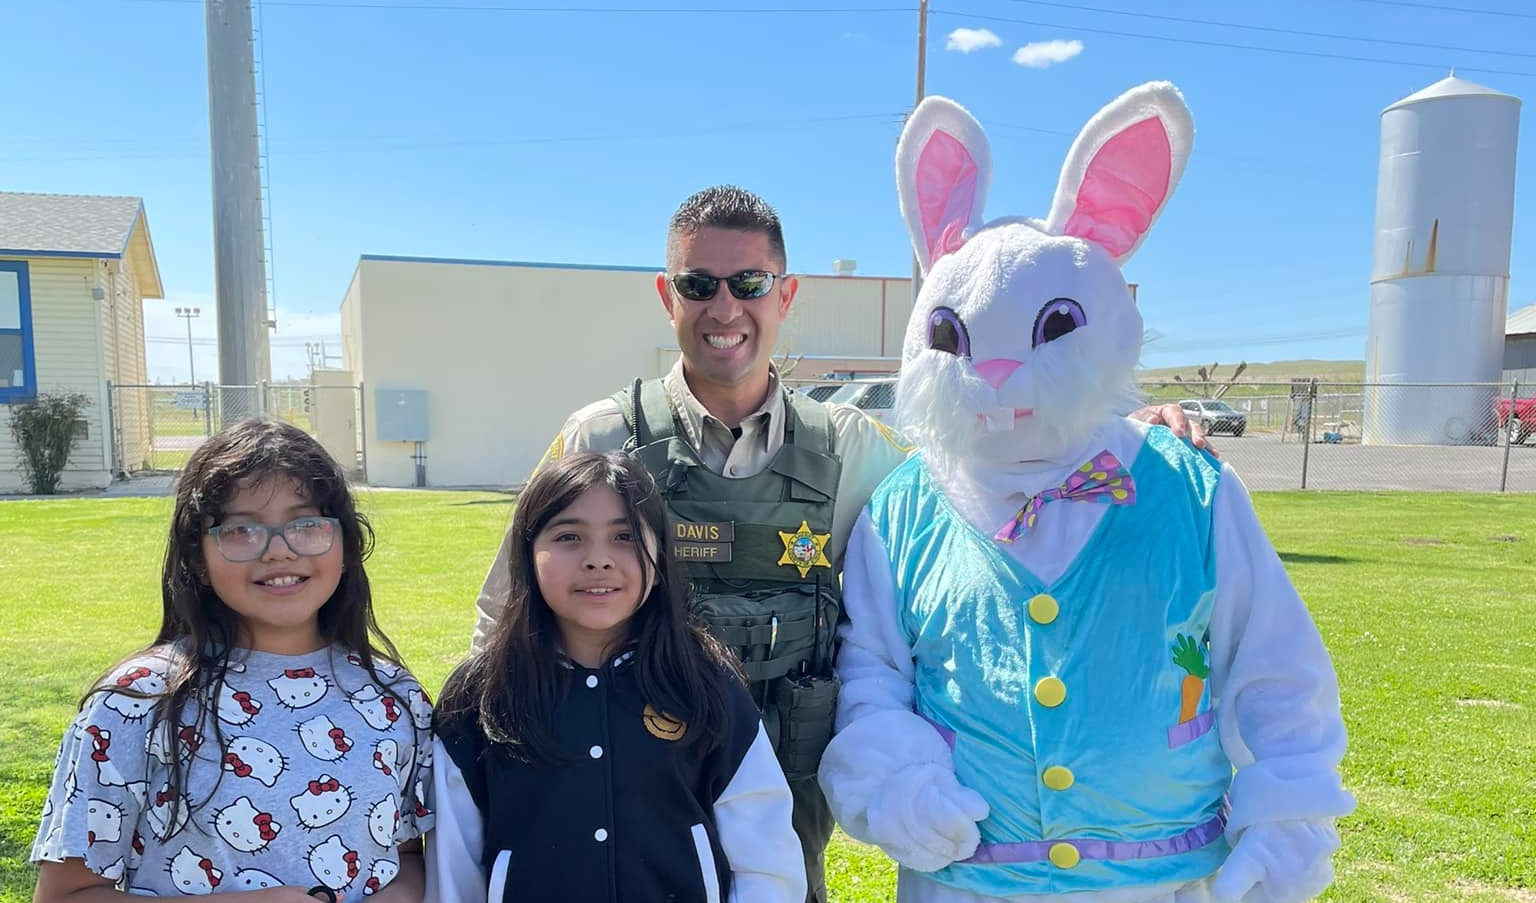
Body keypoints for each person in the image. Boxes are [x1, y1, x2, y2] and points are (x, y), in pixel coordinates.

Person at [470, 185, 1212, 903]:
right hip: (623, 829)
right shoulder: (602, 439)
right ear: (669, 297)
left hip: (789, 840)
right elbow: (501, 625)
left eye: (749, 282)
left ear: (784, 297)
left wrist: (1103, 430)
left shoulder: (856, 451)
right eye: (700, 284)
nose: (724, 307)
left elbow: (988, 478)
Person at [31, 418, 434, 903]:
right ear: (197, 558)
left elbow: (408, 857)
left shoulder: (394, 697)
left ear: (344, 544)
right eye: (242, 530)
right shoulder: (137, 701)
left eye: (306, 524)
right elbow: (66, 895)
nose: (279, 552)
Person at [430, 451, 803, 903]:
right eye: (569, 536)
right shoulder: (480, 698)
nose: (598, 560)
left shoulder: (706, 683)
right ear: (528, 553)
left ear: (659, 554)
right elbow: (454, 867)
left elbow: (765, 854)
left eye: (624, 536)